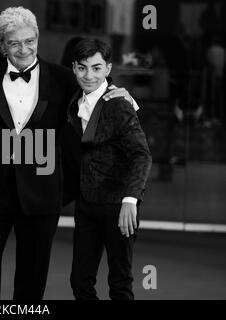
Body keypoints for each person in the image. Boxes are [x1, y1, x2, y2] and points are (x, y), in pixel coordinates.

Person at [0, 7, 137, 300]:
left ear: (38, 39)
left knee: (32, 279)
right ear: (3, 45)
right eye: (14, 43)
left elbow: (97, 90)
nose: (24, 49)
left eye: (30, 40)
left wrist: (124, 96)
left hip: (42, 194)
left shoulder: (63, 78)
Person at [65, 39, 152, 300]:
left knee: (120, 283)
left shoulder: (118, 103)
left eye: (96, 68)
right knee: (80, 281)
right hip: (87, 203)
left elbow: (142, 154)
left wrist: (130, 200)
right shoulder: (74, 100)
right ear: (74, 68)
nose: (88, 75)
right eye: (82, 68)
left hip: (118, 205)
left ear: (108, 68)